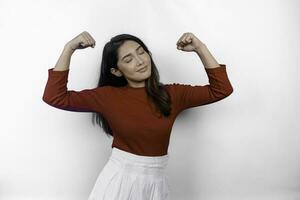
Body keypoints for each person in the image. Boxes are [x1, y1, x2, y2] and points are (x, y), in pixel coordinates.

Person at [42, 31, 233, 200]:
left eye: (141, 52)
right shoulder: (108, 97)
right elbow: (54, 97)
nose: (140, 61)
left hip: (157, 182)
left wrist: (200, 48)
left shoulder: (172, 94)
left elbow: (221, 89)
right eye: (128, 59)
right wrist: (69, 48)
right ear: (116, 71)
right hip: (119, 181)